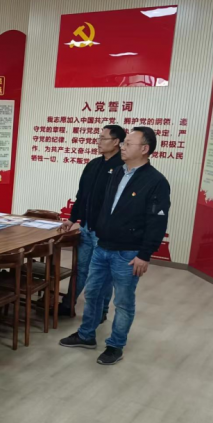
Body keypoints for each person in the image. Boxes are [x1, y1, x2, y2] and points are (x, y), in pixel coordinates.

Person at [60, 127, 170, 365]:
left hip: (128, 253)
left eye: (128, 144)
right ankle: (86, 335)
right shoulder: (118, 172)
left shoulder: (156, 182)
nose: (123, 147)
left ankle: (115, 345)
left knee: (123, 302)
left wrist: (144, 255)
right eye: (123, 143)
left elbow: (157, 222)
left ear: (144, 149)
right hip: (103, 246)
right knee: (93, 293)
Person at [58, 124, 126, 320]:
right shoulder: (93, 165)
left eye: (103, 138)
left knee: (102, 274)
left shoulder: (122, 168)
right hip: (86, 227)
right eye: (99, 138)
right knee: (80, 269)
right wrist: (72, 219)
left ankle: (101, 311)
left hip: (104, 232)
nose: (98, 142)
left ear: (116, 142)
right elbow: (82, 196)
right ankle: (68, 304)